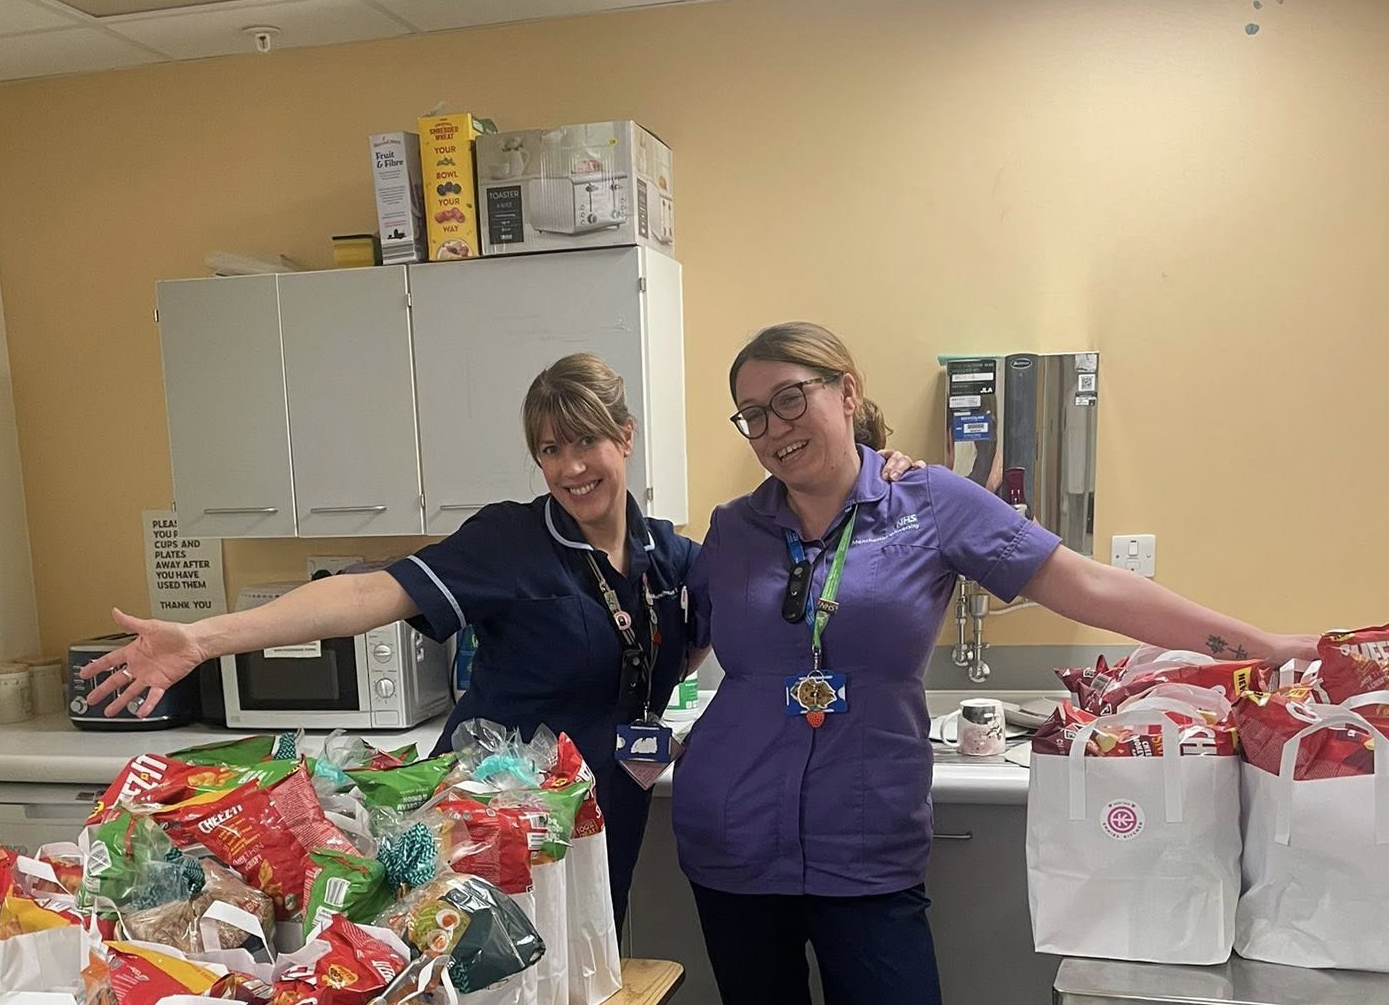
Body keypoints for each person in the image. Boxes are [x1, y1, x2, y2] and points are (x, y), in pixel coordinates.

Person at [672, 321, 1316, 1005]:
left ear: (845, 389)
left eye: (791, 398)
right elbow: (677, 642)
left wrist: (1255, 645)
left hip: (866, 845)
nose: (775, 427)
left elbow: (1089, 586)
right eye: (753, 412)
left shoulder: (930, 505)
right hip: (733, 840)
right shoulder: (732, 532)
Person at [86, 352, 911, 922]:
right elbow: (370, 593)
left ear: (624, 437)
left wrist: (883, 483)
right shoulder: (512, 542)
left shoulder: (671, 552)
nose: (569, 466)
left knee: (587, 993)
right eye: (548, 448)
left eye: (586, 439)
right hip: (491, 823)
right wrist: (204, 638)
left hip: (601, 810)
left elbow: (721, 620)